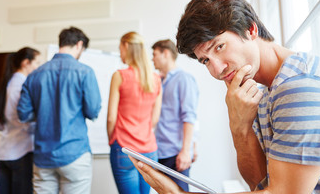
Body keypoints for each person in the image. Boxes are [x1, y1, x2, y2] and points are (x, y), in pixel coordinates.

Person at [129, 0, 320, 194]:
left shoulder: (299, 87)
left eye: (219, 47)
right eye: (205, 60)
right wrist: (240, 126)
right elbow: (258, 184)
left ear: (250, 29)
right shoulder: (260, 91)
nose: (217, 69)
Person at [17, 27, 102, 194]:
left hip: (43, 156)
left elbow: (23, 114)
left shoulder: (34, 75)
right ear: (79, 45)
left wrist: (44, 112)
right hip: (75, 153)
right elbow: (93, 111)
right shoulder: (85, 72)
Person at [107, 31, 163, 194]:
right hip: (149, 149)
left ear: (126, 46)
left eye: (120, 49)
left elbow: (111, 118)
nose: (119, 53)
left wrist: (112, 139)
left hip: (124, 148)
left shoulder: (119, 76)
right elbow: (155, 118)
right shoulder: (155, 79)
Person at [151, 39, 199, 192]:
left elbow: (190, 116)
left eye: (154, 54)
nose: (152, 59)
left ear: (166, 53)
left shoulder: (183, 79)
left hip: (176, 153)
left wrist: (187, 150)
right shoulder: (158, 81)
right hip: (160, 151)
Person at [0, 47, 41, 194]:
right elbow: (26, 119)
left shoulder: (6, 84)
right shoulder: (24, 84)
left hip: (4, 153)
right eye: (37, 63)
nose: (38, 67)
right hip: (22, 151)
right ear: (25, 63)